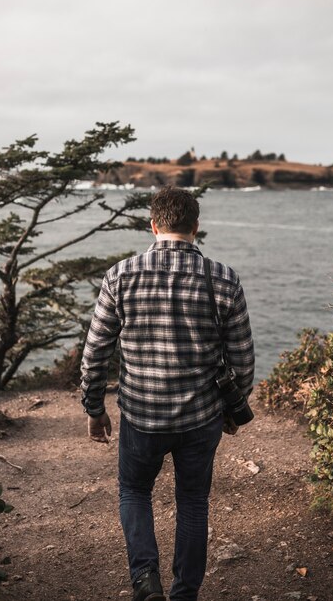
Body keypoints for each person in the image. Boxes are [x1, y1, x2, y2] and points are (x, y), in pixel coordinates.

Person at [80, 185, 255, 601]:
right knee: (193, 500)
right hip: (201, 417)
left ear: (153, 226)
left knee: (134, 491)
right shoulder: (224, 278)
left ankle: (145, 580)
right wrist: (232, 411)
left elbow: (95, 353)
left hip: (142, 416)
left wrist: (93, 407)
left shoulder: (119, 276)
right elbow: (243, 358)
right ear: (196, 226)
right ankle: (184, 593)